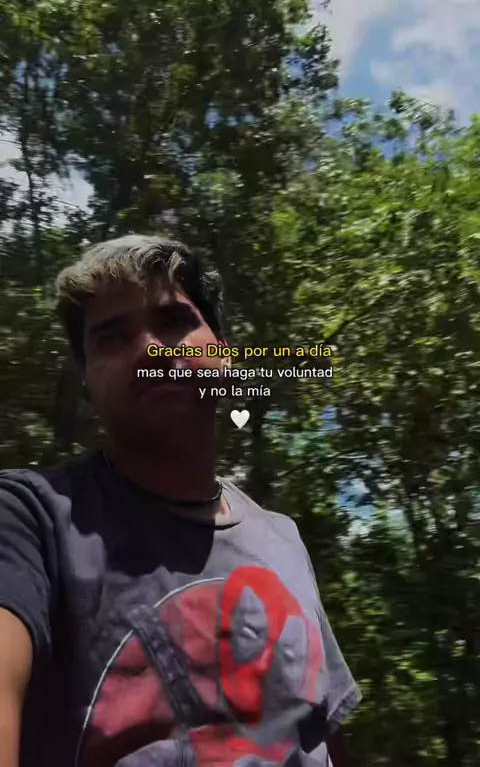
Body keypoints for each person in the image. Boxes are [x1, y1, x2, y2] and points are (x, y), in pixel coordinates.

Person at [0, 234, 361, 767]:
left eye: (173, 322)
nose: (151, 350)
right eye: (112, 337)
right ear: (87, 384)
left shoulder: (282, 537)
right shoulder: (27, 518)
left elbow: (321, 729)